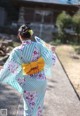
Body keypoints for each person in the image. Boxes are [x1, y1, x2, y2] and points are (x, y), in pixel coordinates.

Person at [0, 24, 56, 116]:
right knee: (38, 108)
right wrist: (52, 53)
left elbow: (10, 69)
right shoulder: (39, 46)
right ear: (31, 35)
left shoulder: (17, 51)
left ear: (19, 36)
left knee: (29, 110)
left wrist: (1, 72)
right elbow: (50, 62)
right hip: (41, 82)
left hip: (28, 84)